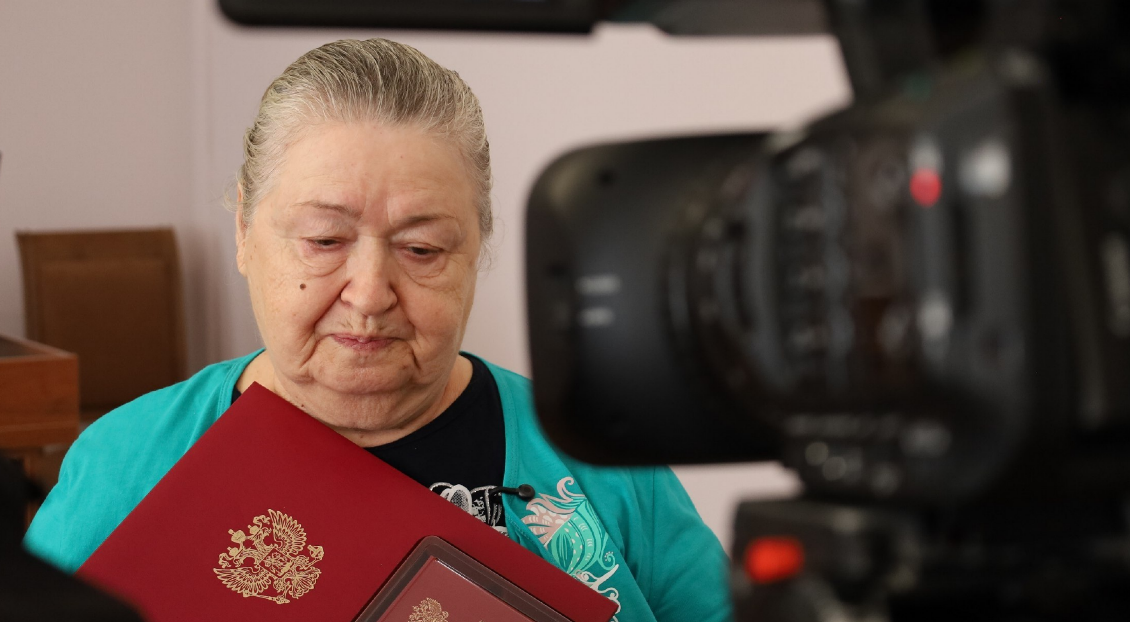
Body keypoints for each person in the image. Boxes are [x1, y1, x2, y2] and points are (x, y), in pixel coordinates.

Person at [24, 38, 732, 622]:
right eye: (324, 240)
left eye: (421, 249)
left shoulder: (601, 454)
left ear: (477, 247)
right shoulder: (128, 463)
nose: (368, 295)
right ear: (243, 230)